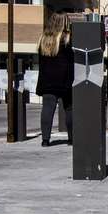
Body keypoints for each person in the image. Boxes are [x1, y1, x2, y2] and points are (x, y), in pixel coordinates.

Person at [36, 12, 73, 146]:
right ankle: (71, 139)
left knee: (47, 108)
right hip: (65, 79)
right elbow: (71, 59)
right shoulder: (67, 38)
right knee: (69, 108)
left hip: (47, 79)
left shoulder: (43, 39)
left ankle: (45, 140)